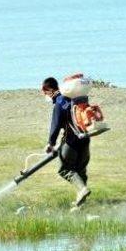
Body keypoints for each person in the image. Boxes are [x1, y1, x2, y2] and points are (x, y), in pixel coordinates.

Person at [42, 76, 91, 208]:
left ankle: (82, 190)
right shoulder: (74, 99)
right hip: (85, 139)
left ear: (49, 90)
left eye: (45, 93)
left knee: (65, 169)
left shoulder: (59, 102)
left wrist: (50, 143)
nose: (45, 96)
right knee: (81, 171)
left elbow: (56, 125)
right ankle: (81, 205)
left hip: (72, 141)